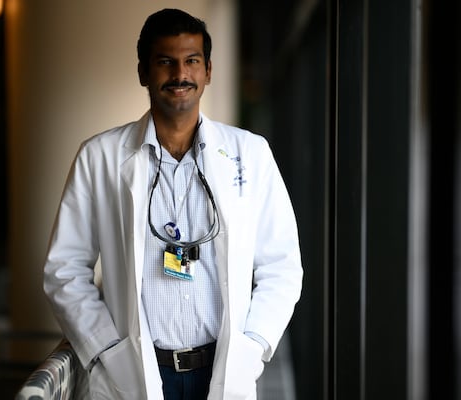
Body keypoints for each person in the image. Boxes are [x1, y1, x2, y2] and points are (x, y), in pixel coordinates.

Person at [43, 8, 303, 400]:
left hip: (222, 370)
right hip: (134, 373)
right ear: (143, 72)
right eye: (165, 62)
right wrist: (105, 351)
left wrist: (252, 347)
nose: (180, 74)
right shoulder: (99, 157)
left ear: (208, 71)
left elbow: (281, 266)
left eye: (191, 61)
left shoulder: (250, 154)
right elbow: (64, 269)